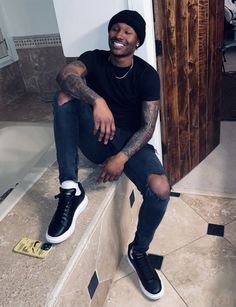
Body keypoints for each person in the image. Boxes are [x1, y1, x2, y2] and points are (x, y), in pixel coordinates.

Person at [46, 10, 170, 300]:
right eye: (116, 29)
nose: (119, 35)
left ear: (137, 41)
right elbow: (64, 75)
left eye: (128, 31)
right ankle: (69, 189)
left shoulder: (146, 74)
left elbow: (148, 128)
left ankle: (138, 252)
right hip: (97, 139)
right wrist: (97, 100)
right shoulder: (94, 58)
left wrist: (122, 158)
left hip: (130, 144)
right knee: (64, 94)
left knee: (161, 188)